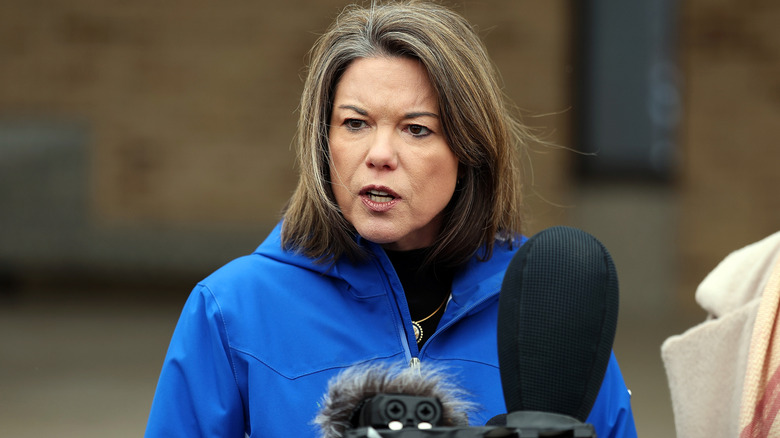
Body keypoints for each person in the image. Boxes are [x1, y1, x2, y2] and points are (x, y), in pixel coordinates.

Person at [144, 1, 637, 437]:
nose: (379, 154)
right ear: (324, 142)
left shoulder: (549, 310)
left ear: (470, 149)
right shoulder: (233, 307)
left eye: (416, 129)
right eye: (355, 123)